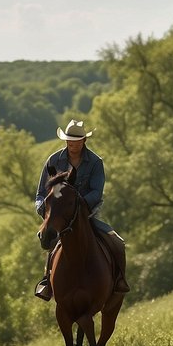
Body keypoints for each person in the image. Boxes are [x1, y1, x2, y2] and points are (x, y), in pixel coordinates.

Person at [33, 119, 129, 300]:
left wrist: (78, 206)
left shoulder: (95, 162)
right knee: (51, 242)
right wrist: (45, 211)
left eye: (76, 140)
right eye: (69, 140)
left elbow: (96, 192)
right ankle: (47, 281)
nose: (72, 144)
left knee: (117, 241)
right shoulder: (53, 160)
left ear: (84, 140)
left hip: (88, 213)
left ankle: (119, 280)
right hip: (61, 216)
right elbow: (40, 193)